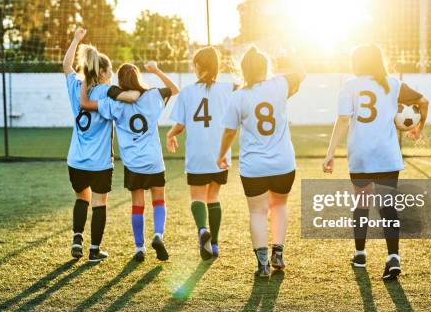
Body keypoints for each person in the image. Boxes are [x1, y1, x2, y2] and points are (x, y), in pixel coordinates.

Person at [322, 44, 429, 280]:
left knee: (361, 204)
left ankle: (360, 254)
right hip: (387, 156)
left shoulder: (350, 86)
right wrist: (419, 128)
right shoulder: (393, 84)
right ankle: (393, 258)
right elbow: (424, 102)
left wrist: (330, 153)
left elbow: (342, 120)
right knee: (387, 206)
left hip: (361, 155)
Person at [217, 46, 306, 277]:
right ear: (266, 67)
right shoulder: (280, 85)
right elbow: (301, 72)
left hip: (253, 166)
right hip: (283, 164)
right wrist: (288, 51)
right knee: (279, 206)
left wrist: (221, 155)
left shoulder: (238, 96)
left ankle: (263, 264)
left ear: (243, 69)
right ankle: (278, 253)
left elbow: (229, 132)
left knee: (257, 212)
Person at [80, 62, 179, 262]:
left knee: (137, 204)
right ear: (138, 78)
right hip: (153, 161)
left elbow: (86, 104)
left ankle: (139, 248)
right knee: (159, 200)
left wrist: (86, 80)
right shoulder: (153, 95)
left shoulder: (115, 103)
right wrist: (156, 70)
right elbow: (175, 89)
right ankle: (158, 235)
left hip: (133, 163)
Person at [63, 27, 139, 263]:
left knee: (81, 199)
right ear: (104, 71)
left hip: (76, 159)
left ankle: (77, 239)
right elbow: (132, 96)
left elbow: (67, 65)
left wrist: (76, 40)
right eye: (111, 71)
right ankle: (94, 251)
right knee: (99, 203)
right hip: (99, 163)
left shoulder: (76, 86)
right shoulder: (107, 91)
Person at [166, 47, 236, 260]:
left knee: (197, 197)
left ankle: (202, 229)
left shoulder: (187, 92)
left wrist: (170, 135)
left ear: (198, 67)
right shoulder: (228, 89)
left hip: (197, 155)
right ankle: (214, 243)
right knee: (213, 197)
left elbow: (180, 124)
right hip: (220, 154)